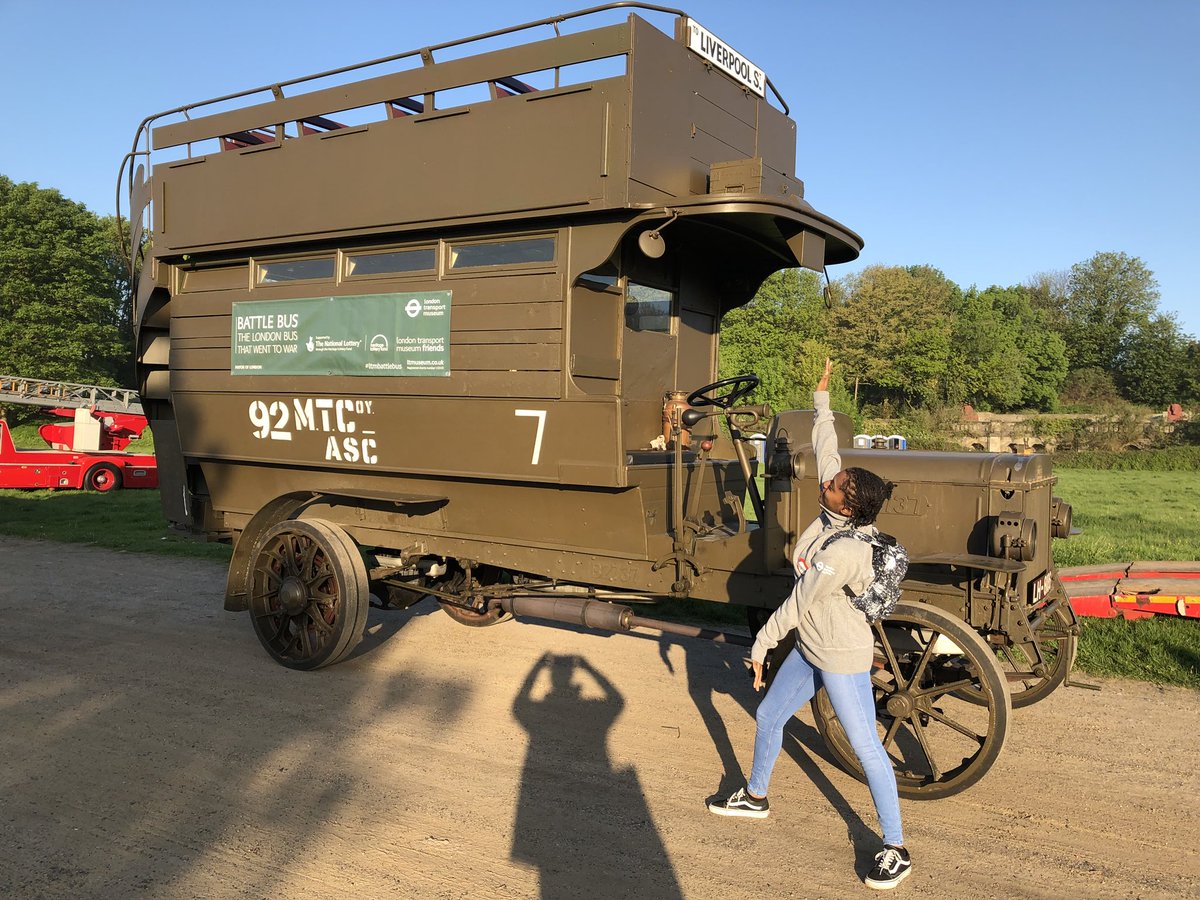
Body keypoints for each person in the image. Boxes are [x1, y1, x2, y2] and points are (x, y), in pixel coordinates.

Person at [707, 358, 912, 891]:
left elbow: (798, 604)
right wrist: (822, 401)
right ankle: (754, 796)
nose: (828, 481)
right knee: (771, 713)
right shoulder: (833, 514)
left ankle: (895, 846)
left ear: (849, 505)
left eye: (837, 485)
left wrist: (760, 643)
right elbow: (829, 452)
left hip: (840, 656)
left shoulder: (842, 551)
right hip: (812, 647)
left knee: (866, 747)